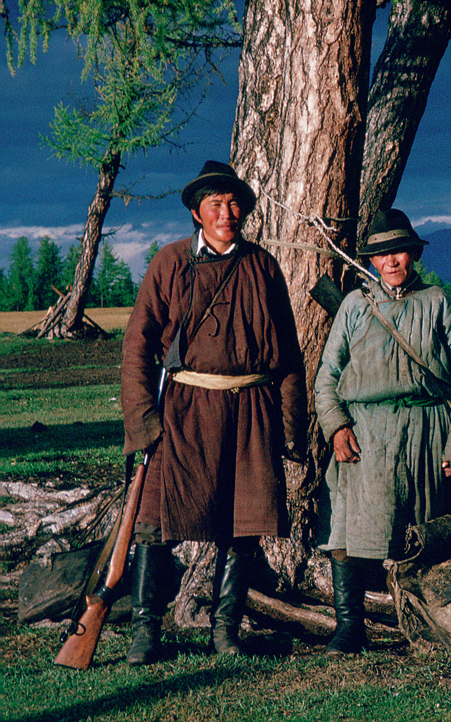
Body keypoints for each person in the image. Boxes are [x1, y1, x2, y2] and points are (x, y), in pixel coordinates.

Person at [120, 160, 306, 665]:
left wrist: (291, 427)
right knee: (153, 522)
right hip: (181, 414)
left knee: (244, 523)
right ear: (197, 213)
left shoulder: (263, 266)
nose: (227, 212)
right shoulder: (170, 262)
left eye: (233, 203)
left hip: (251, 414)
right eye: (215, 204)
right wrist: (143, 421)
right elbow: (137, 346)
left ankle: (225, 631)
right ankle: (146, 631)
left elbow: (288, 358)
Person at [314, 208, 451, 655]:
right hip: (366, 435)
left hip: (428, 432)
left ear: (413, 255)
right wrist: (336, 427)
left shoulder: (437, 302)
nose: (392, 261)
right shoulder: (354, 306)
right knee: (348, 528)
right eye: (383, 254)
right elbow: (327, 377)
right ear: (371, 261)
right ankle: (350, 627)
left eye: (400, 251)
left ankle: (437, 623)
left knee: (430, 531)